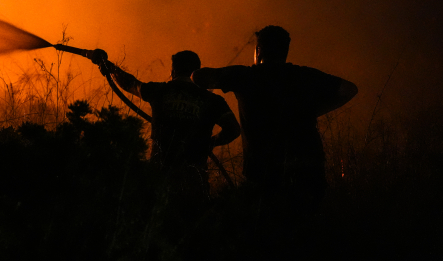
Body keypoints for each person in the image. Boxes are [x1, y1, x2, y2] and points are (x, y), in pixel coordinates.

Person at [192, 25, 358, 215]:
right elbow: (349, 89)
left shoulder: (246, 76)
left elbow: (198, 77)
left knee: (267, 230)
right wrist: (314, 111)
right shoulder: (304, 75)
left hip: (265, 174)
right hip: (308, 170)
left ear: (259, 50)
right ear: (285, 51)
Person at [91, 50, 240, 198]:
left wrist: (109, 67)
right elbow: (233, 129)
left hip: (159, 177)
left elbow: (130, 83)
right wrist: (210, 143)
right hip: (194, 179)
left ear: (173, 70)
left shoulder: (160, 90)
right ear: (198, 71)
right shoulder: (213, 100)